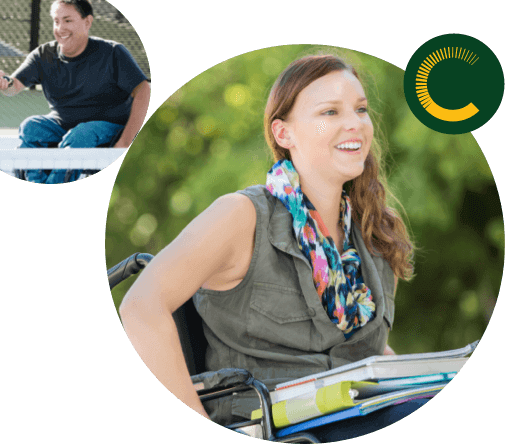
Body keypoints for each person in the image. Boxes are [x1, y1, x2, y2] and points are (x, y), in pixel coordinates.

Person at [119, 54, 425, 438]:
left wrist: (418, 379)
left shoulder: (377, 231)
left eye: (360, 109)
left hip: (361, 414)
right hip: (275, 426)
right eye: (329, 112)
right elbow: (140, 309)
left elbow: (370, 355)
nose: (354, 124)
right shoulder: (241, 216)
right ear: (283, 133)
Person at [0, 0, 150, 183]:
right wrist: (1, 79)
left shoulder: (113, 52)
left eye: (67, 20)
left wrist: (125, 142)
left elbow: (143, 89)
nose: (60, 28)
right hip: (63, 126)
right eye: (56, 21)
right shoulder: (43, 54)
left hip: (109, 127)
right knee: (30, 127)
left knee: (81, 135)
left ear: (87, 22)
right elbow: (13, 86)